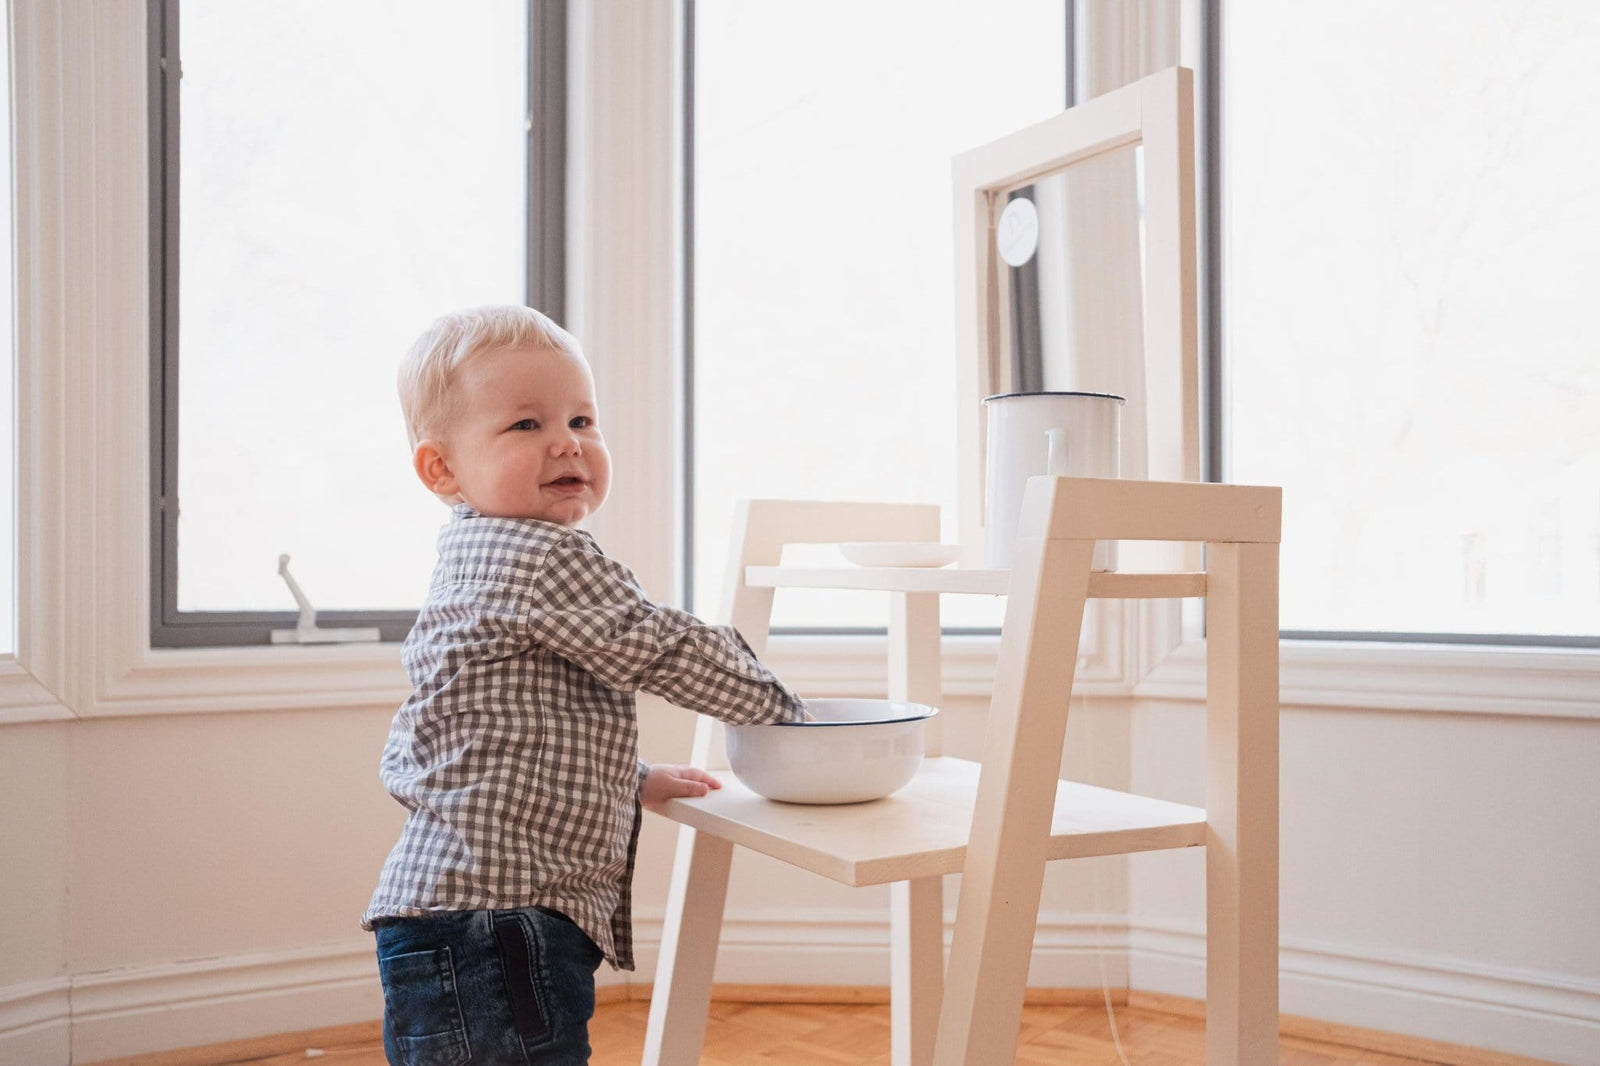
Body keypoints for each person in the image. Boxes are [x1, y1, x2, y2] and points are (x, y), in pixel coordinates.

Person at [364, 305, 805, 1065]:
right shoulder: (544, 557)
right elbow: (663, 648)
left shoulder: (468, 554)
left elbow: (492, 736)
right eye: (525, 425)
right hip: (501, 925)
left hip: (444, 918)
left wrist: (629, 778)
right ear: (442, 468)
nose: (568, 441)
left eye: (582, 418)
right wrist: (785, 710)